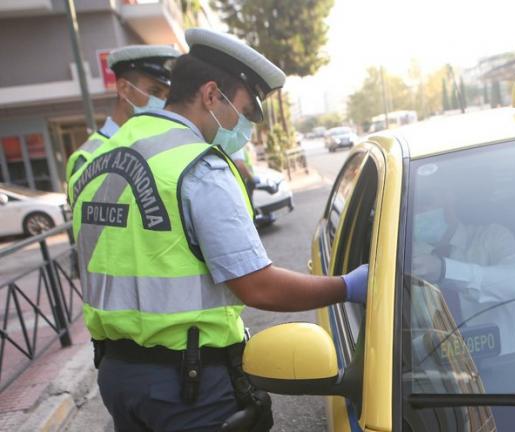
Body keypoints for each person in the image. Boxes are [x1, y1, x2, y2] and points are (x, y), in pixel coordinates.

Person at [67, 28, 368, 431]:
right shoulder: (199, 167)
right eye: (244, 111)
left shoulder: (96, 159)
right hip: (188, 388)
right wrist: (347, 286)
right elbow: (257, 286)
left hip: (119, 378)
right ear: (211, 95)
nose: (246, 126)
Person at [409, 166, 515, 355]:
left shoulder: (493, 237)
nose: (418, 210)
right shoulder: (402, 257)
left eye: (425, 199)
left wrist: (445, 271)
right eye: (411, 203)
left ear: (449, 197)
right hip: (435, 379)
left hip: (509, 371)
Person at [65, 45, 180, 180]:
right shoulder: (88, 157)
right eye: (154, 92)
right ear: (123, 88)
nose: (162, 102)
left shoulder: (163, 148)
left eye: (167, 95)